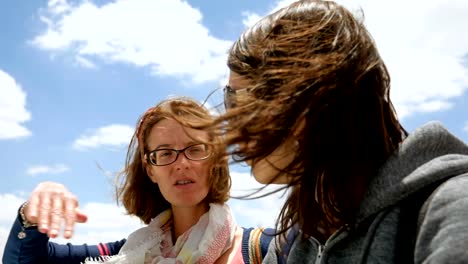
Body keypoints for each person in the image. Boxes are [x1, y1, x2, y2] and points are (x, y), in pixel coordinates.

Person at [216, 0, 468, 263]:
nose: (233, 124)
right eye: (228, 100)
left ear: (309, 102)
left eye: (241, 103)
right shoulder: (296, 238)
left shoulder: (452, 210)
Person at [3, 97, 272, 264]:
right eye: (165, 153)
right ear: (150, 169)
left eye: (195, 149)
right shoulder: (129, 253)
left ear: (214, 159)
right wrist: (32, 215)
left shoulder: (265, 249)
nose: (182, 163)